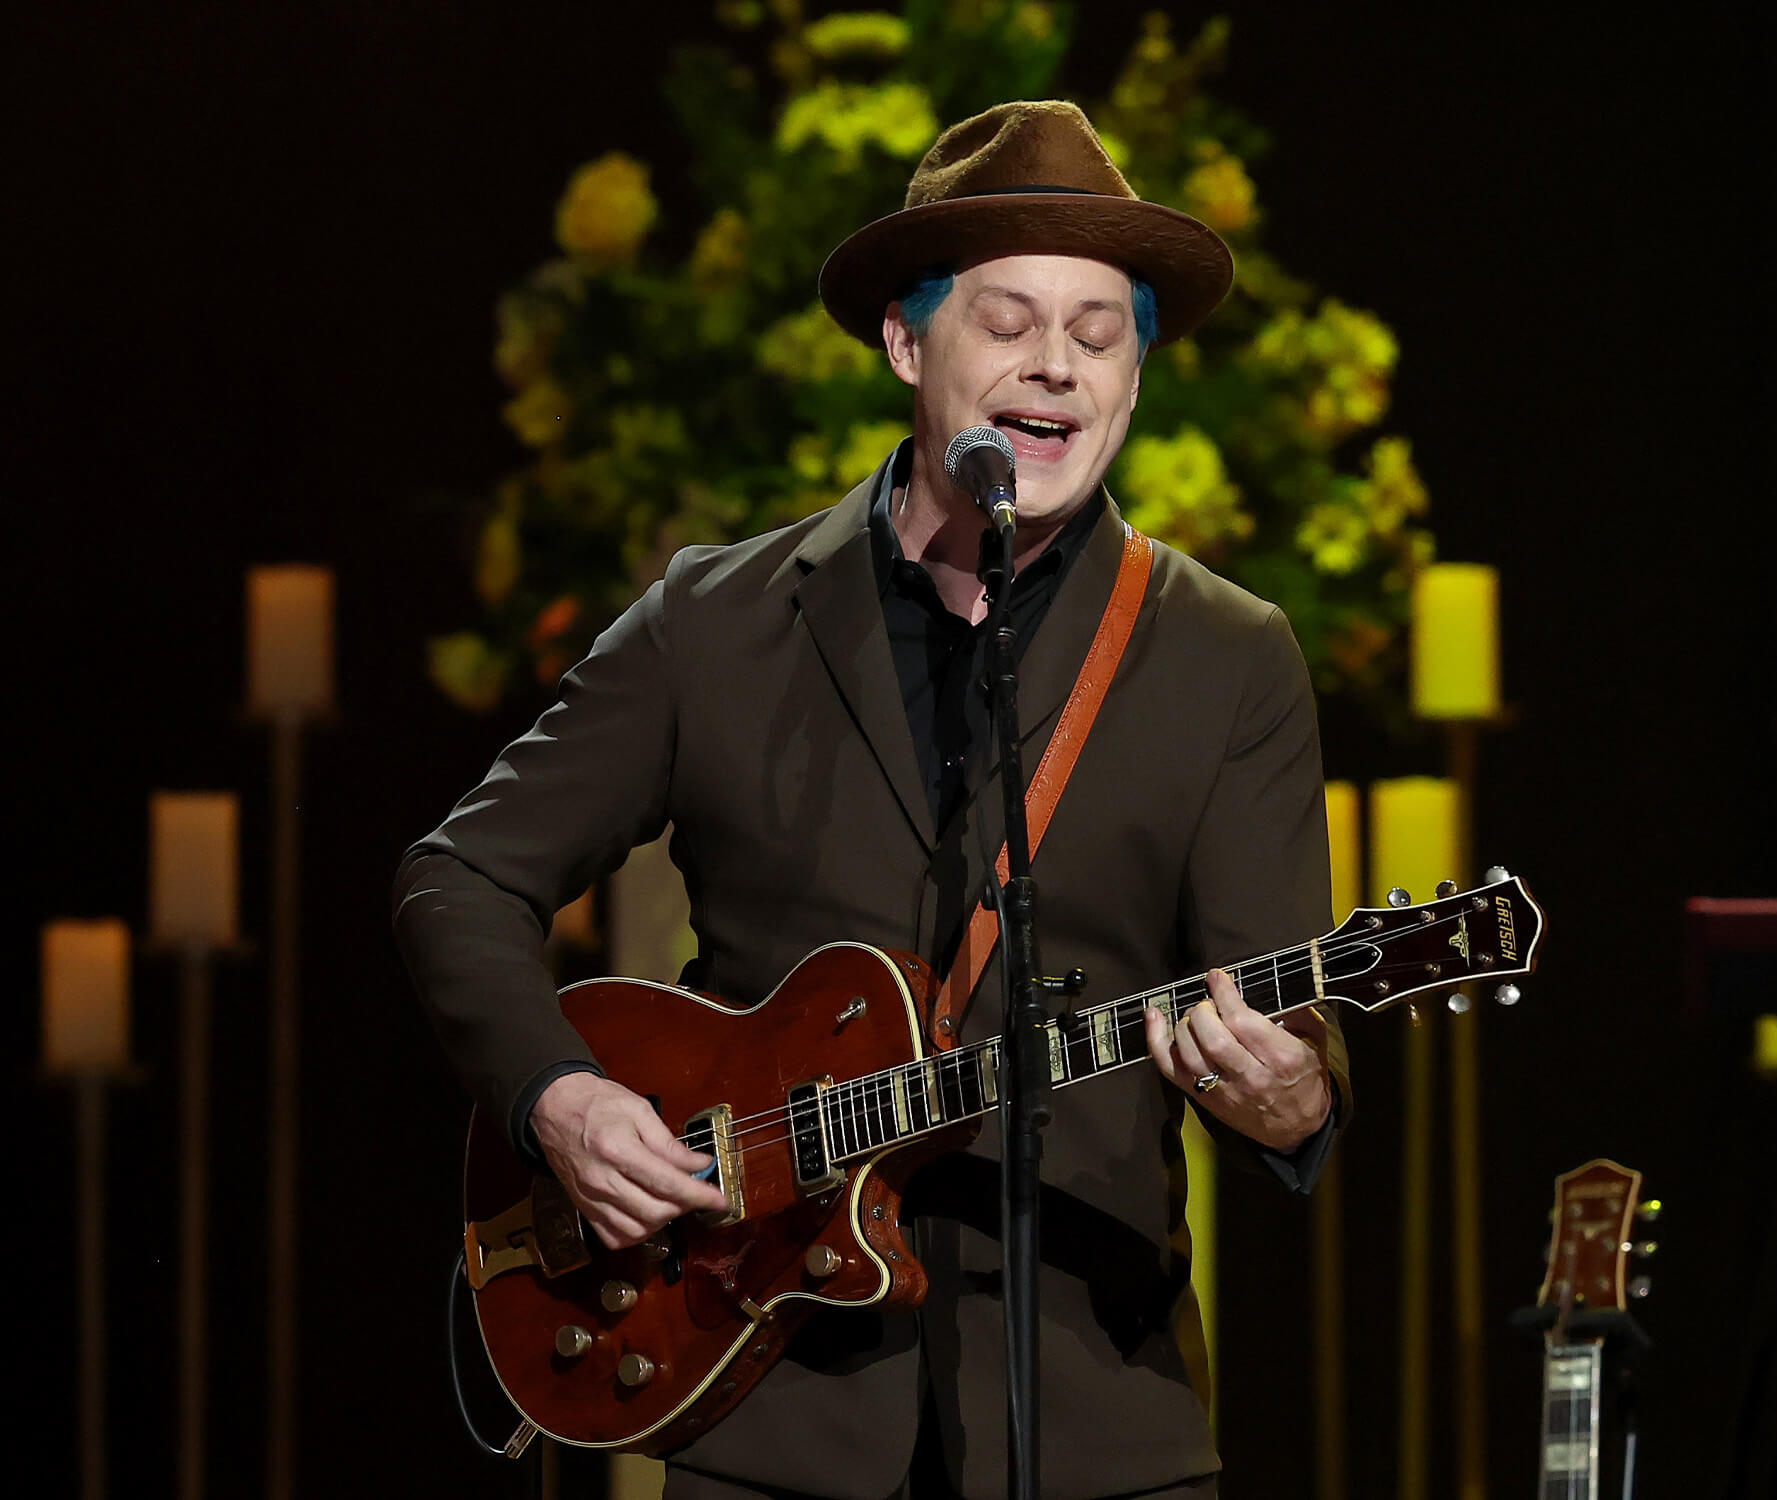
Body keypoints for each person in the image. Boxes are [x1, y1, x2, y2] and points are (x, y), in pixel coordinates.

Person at [394, 100, 1349, 1500]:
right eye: (1010, 322)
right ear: (908, 344)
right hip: (764, 1407)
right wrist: (559, 1097)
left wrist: (1295, 1098)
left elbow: (1291, 1022)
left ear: (1136, 381)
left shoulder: (1229, 657)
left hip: (1098, 1430)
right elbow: (455, 877)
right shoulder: (714, 621)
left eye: (1098, 335)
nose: (1055, 368)